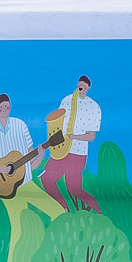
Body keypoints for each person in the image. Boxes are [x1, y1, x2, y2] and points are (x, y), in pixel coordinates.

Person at [37, 74, 103, 213]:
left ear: (89, 88)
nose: (81, 87)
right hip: (60, 150)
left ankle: (98, 211)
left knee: (74, 188)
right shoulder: (67, 100)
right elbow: (57, 123)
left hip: (77, 152)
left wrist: (74, 137)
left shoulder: (94, 106)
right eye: (80, 84)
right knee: (47, 179)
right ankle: (64, 209)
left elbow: (91, 137)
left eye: (85, 86)